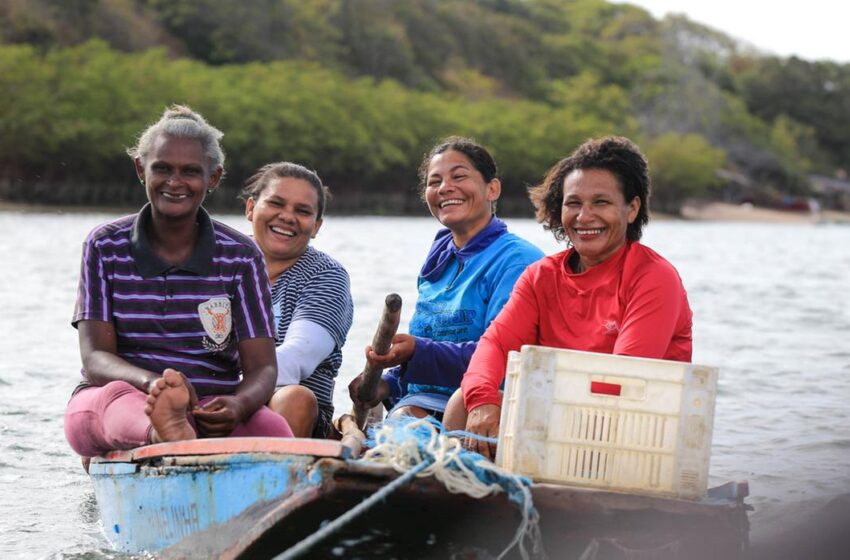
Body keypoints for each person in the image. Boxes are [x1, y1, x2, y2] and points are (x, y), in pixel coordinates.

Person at [64, 105, 293, 459]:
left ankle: (179, 430)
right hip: (127, 396)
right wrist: (154, 385)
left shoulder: (241, 256)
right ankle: (161, 431)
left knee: (273, 429)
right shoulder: (105, 245)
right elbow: (95, 357)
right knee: (111, 406)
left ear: (213, 178)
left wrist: (238, 405)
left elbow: (262, 367)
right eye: (162, 169)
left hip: (208, 405)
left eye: (190, 171)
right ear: (140, 169)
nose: (174, 182)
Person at [444, 136, 693, 460]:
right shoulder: (540, 276)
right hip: (558, 419)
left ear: (632, 209)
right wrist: (482, 400)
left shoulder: (654, 277)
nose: (584, 216)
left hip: (633, 433)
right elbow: (495, 344)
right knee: (463, 403)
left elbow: (622, 383)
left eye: (600, 203)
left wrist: (539, 413)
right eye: (573, 203)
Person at [348, 136, 544, 420]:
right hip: (420, 405)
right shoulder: (439, 260)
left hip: (483, 409)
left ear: (492, 189)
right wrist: (387, 383)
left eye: (459, 176)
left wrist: (416, 352)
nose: (444, 188)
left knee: (405, 421)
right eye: (434, 181)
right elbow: (428, 348)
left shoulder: (518, 261)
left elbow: (505, 357)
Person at [242, 162, 353, 438]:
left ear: (316, 226)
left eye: (302, 211)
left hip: (288, 407)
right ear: (250, 208)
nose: (287, 217)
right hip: (212, 394)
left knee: (295, 398)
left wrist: (233, 396)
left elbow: (297, 357)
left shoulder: (326, 275)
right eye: (276, 204)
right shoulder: (220, 260)